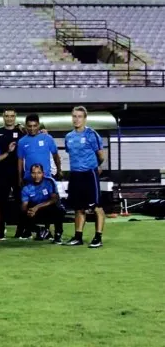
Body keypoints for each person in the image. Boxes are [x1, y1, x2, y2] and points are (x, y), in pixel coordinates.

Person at [64, 106, 105, 248]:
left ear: (85, 118)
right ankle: (78, 237)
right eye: (74, 116)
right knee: (78, 208)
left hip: (89, 174)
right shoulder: (68, 137)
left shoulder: (91, 134)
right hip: (75, 174)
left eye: (79, 116)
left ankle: (98, 237)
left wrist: (94, 167)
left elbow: (101, 156)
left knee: (96, 207)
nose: (76, 119)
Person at [0, 109, 26, 236]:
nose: (9, 118)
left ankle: (21, 230)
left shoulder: (21, 132)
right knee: (1, 202)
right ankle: (0, 229)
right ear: (3, 117)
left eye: (12, 116)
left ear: (15, 117)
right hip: (1, 172)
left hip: (18, 172)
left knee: (21, 201)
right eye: (7, 116)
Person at [20, 164, 64, 244]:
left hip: (48, 209)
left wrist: (37, 207)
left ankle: (58, 235)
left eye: (39, 173)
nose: (36, 175)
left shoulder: (49, 182)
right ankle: (40, 230)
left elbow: (54, 199)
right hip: (35, 212)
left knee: (59, 210)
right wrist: (28, 211)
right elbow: (24, 206)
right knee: (21, 214)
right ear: (30, 174)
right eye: (33, 173)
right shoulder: (26, 187)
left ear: (43, 173)